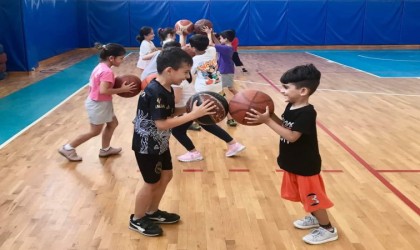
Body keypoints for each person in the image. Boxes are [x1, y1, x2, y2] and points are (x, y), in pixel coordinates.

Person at [245, 64, 338, 245]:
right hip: (293, 162)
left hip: (306, 165)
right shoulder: (293, 106)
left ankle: (327, 229)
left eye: (286, 87)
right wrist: (269, 115)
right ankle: (314, 218)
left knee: (314, 199)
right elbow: (286, 126)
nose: (282, 91)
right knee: (304, 197)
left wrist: (266, 122)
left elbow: (292, 136)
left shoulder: (307, 113)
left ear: (303, 90)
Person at [129, 47, 216, 237]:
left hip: (160, 143)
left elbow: (166, 114)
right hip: (147, 146)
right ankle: (137, 219)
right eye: (185, 72)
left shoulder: (166, 88)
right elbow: (161, 123)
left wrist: (186, 109)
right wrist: (193, 115)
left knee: (166, 176)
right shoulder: (155, 91)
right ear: (169, 70)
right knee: (150, 183)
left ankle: (152, 212)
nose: (187, 76)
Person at [172, 34, 246, 162]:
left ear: (193, 48)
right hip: (216, 86)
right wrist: (208, 33)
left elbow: (188, 73)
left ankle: (195, 153)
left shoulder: (193, 61)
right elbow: (212, 44)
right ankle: (233, 144)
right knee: (205, 122)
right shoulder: (212, 50)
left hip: (202, 92)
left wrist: (183, 43)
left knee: (183, 128)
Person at [58, 43, 137, 161]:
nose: (123, 60)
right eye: (121, 58)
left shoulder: (101, 66)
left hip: (100, 103)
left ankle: (105, 150)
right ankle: (68, 148)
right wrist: (123, 89)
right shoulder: (107, 72)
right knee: (94, 131)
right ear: (111, 58)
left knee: (113, 123)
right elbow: (104, 90)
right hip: (98, 104)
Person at [205, 27, 238, 127]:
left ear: (226, 39)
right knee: (230, 88)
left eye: (221, 38)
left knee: (221, 93)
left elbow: (211, 44)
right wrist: (212, 35)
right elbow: (217, 44)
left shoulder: (226, 48)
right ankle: (245, 100)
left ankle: (230, 117)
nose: (219, 39)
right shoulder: (227, 47)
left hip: (225, 72)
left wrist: (208, 33)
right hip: (226, 71)